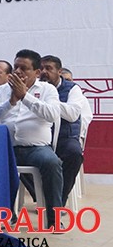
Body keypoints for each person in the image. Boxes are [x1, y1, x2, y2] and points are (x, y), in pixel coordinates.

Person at [0, 49, 62, 229]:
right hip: (6, 148)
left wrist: (25, 96)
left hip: (37, 148)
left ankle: (54, 219)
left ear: (37, 72)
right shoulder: (2, 90)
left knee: (52, 163)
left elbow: (52, 114)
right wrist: (10, 102)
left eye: (24, 68)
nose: (18, 72)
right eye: (16, 67)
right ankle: (3, 216)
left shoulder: (47, 89)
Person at [39, 55, 85, 206]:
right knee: (16, 154)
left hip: (64, 137)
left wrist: (49, 102)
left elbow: (72, 115)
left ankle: (58, 201)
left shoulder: (72, 88)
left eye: (49, 68)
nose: (44, 72)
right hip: (40, 138)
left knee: (74, 154)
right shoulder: (35, 88)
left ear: (59, 71)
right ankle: (42, 196)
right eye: (41, 68)